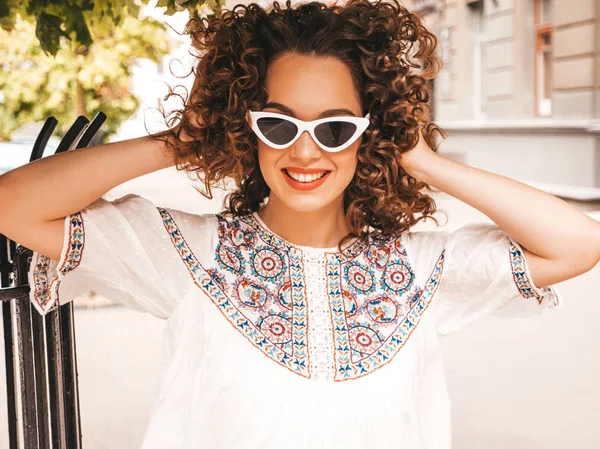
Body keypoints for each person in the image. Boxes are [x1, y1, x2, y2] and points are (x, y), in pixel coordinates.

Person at [0, 0, 598, 448]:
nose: (306, 153)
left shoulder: (422, 270)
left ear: (370, 135)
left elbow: (578, 244)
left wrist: (421, 159)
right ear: (248, 127)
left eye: (337, 128)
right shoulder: (184, 252)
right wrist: (182, 141)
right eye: (279, 126)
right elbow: (14, 206)